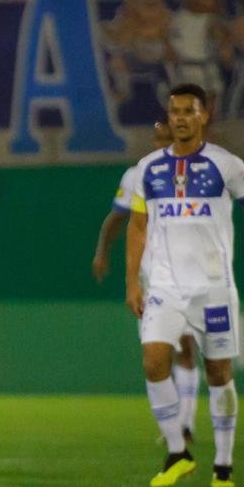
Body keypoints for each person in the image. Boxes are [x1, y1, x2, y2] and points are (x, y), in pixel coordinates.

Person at [125, 83, 244, 487]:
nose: (179, 117)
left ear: (203, 115)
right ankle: (178, 452)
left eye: (187, 111)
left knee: (219, 372)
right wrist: (132, 282)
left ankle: (224, 464)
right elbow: (137, 225)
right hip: (165, 286)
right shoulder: (149, 168)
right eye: (173, 110)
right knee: (153, 361)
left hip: (212, 288)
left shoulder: (226, 164)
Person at [93, 122, 203, 442]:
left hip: (186, 272)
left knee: (186, 347)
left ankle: (187, 423)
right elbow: (117, 219)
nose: (161, 144)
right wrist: (103, 251)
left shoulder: (197, 173)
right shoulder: (136, 175)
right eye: (158, 138)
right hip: (150, 274)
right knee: (158, 354)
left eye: (167, 139)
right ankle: (172, 424)